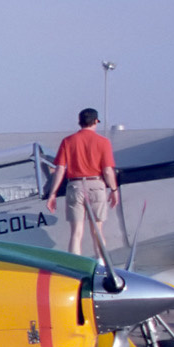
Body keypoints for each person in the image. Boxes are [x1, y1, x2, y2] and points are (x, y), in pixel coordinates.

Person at [46, 107, 119, 256]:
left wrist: (52, 194)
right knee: (97, 231)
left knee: (76, 233)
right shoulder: (103, 142)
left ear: (79, 122)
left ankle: (75, 268)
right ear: (95, 122)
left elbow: (59, 169)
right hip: (97, 186)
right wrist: (114, 190)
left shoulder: (67, 141)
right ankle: (102, 266)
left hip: (75, 186)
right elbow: (107, 171)